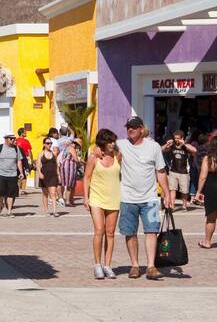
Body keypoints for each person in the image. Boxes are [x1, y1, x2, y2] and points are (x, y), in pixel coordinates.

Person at [118, 116, 173, 280]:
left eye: (134, 127)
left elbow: (160, 172)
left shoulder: (154, 147)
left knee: (152, 231)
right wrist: (98, 150)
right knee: (130, 232)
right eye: (128, 127)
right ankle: (135, 265)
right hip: (127, 198)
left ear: (141, 129)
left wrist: (167, 193)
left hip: (150, 199)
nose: (130, 129)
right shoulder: (121, 145)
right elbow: (102, 147)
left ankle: (150, 266)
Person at [84, 129, 121, 279]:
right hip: (97, 198)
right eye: (109, 141)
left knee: (110, 233)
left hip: (114, 198)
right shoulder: (94, 157)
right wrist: (86, 198)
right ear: (102, 142)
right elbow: (86, 177)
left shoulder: (118, 155)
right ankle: (97, 265)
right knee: (99, 230)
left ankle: (107, 265)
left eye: (113, 141)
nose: (112, 144)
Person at [0, 133, 23, 216]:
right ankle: (1, 204)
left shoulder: (16, 149)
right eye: (11, 139)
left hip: (13, 174)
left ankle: (9, 211)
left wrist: (21, 172)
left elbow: (19, 161)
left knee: (11, 193)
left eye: (14, 138)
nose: (13, 140)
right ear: (6, 139)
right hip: (1, 174)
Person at [162, 130, 197, 211]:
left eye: (178, 138)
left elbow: (194, 150)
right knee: (172, 189)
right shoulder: (172, 145)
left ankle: (184, 206)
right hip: (173, 171)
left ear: (182, 138)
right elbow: (162, 150)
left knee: (184, 191)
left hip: (184, 172)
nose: (176, 140)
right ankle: (172, 206)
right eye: (175, 138)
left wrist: (183, 143)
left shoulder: (186, 146)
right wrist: (167, 144)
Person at [38, 138, 61, 217]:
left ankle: (54, 211)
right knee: (45, 194)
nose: (49, 145)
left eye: (50, 143)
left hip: (53, 175)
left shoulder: (54, 154)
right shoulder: (41, 154)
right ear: (44, 144)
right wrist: (40, 173)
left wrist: (59, 175)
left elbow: (57, 164)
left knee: (53, 193)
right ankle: (46, 211)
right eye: (48, 143)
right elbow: (38, 165)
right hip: (44, 176)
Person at [58, 138, 80, 209]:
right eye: (75, 144)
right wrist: (79, 163)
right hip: (69, 166)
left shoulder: (66, 148)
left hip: (65, 166)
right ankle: (68, 201)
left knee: (67, 184)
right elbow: (76, 159)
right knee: (69, 184)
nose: (75, 145)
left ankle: (67, 200)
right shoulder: (71, 149)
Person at [14, 128, 33, 193]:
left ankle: (17, 188)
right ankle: (23, 190)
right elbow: (29, 151)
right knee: (25, 174)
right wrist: (30, 160)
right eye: (25, 132)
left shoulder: (15, 141)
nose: (26, 133)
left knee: (17, 173)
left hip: (17, 159)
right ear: (22, 133)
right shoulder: (26, 141)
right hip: (25, 159)